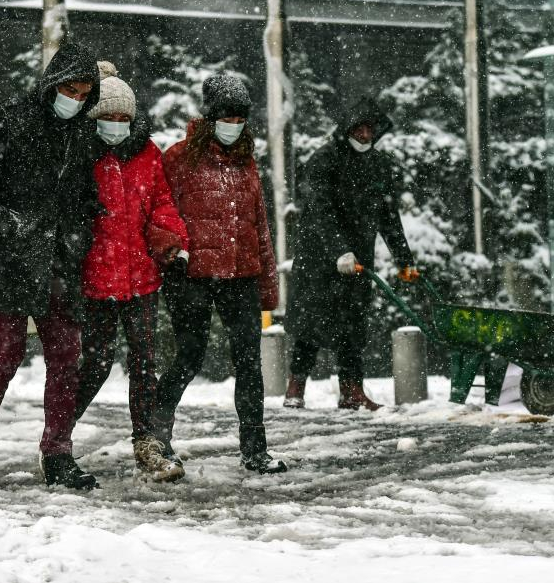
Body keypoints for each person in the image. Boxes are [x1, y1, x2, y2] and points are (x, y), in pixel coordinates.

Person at [0, 42, 103, 491]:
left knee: (65, 357)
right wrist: (8, 223)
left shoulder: (83, 137)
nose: (74, 98)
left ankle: (58, 453)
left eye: (83, 92)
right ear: (52, 84)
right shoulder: (7, 120)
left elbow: (84, 196)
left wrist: (80, 231)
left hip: (59, 261)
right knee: (3, 355)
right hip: (10, 259)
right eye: (69, 89)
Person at [154, 73, 287, 475]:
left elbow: (259, 224)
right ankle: (156, 438)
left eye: (240, 117)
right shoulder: (177, 159)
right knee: (188, 356)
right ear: (209, 117)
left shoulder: (246, 163)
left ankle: (255, 448)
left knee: (249, 363)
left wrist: (268, 283)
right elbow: (160, 213)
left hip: (241, 275)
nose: (233, 124)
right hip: (190, 276)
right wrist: (172, 256)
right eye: (226, 117)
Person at [71, 62, 189, 483]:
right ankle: (59, 439)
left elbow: (162, 203)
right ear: (94, 118)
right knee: (95, 364)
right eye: (108, 117)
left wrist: (171, 236)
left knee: (144, 364)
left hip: (142, 278)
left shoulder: (148, 155)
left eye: (124, 118)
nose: (117, 125)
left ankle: (147, 443)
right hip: (94, 278)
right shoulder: (80, 153)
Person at [284, 96, 418, 411]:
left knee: (353, 325)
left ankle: (351, 390)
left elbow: (388, 215)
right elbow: (320, 210)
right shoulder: (324, 160)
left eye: (370, 131)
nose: (365, 136)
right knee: (310, 323)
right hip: (319, 256)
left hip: (358, 258)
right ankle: (296, 386)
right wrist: (337, 250)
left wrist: (404, 259)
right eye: (360, 130)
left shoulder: (378, 165)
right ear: (347, 130)